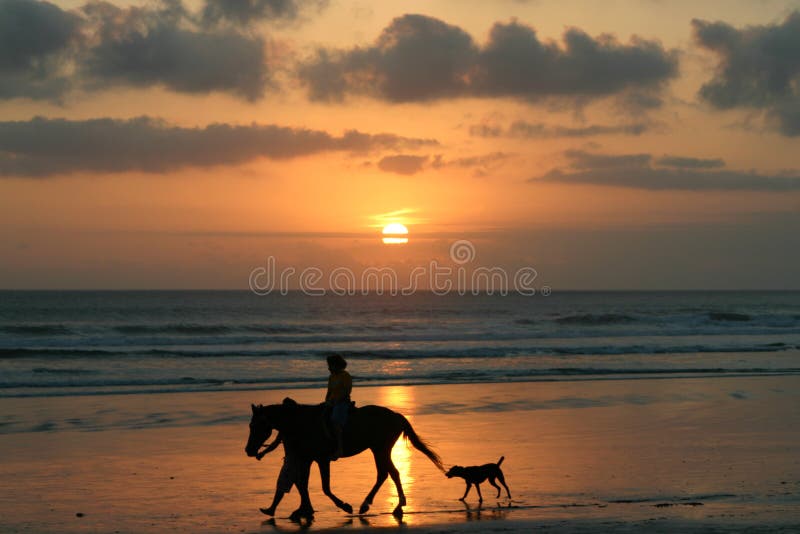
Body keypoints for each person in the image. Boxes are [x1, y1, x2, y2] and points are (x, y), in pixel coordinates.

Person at [257, 433, 310, 516]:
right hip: (301, 461)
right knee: (301, 486)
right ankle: (307, 507)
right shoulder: (296, 427)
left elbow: (275, 444)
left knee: (282, 485)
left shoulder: (284, 428)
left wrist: (263, 453)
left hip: (291, 461)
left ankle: (272, 509)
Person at [325, 354, 352, 460]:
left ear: (337, 365)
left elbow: (346, 391)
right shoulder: (331, 377)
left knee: (335, 422)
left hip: (342, 403)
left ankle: (340, 448)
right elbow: (329, 391)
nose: (329, 368)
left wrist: (336, 401)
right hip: (331, 402)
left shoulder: (345, 376)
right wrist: (327, 401)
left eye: (330, 366)